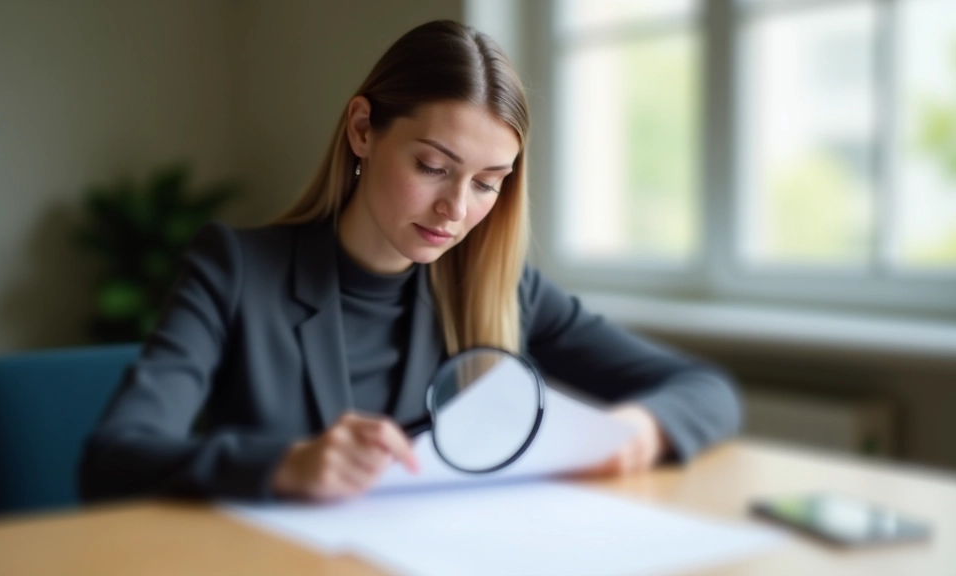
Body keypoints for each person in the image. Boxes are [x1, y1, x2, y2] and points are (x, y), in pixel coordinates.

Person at [79, 20, 741, 503]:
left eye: (488, 182)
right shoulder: (235, 271)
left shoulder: (501, 287)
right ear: (363, 129)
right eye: (433, 167)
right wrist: (285, 465)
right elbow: (114, 458)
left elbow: (704, 390)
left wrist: (640, 425)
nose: (456, 208)